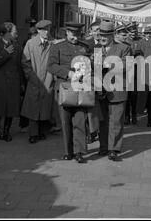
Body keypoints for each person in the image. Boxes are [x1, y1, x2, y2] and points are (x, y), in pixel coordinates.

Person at [48, 22, 91, 163]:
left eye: (78, 34)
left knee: (79, 120)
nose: (75, 37)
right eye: (72, 34)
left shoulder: (85, 47)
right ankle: (68, 151)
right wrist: (67, 74)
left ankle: (79, 152)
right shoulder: (57, 47)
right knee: (65, 122)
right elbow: (51, 66)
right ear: (67, 32)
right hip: (65, 89)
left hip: (80, 89)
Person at [97, 21, 132, 161]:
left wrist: (108, 63)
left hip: (117, 90)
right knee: (103, 121)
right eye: (101, 35)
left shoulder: (124, 48)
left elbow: (127, 65)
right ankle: (104, 146)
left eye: (106, 35)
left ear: (112, 35)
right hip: (101, 92)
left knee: (116, 121)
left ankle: (114, 149)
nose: (103, 38)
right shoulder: (97, 49)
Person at [21, 20, 55, 144]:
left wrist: (51, 78)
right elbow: (25, 62)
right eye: (44, 30)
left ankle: (41, 131)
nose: (47, 32)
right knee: (33, 107)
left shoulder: (52, 43)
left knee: (44, 106)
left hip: (47, 78)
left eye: (48, 29)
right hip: (34, 79)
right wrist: (30, 76)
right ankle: (33, 133)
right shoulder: (31, 43)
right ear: (39, 31)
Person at [0, 24, 22, 142]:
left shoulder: (16, 46)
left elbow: (19, 66)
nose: (16, 34)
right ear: (6, 33)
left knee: (11, 108)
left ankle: (6, 131)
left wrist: (21, 82)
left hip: (13, 82)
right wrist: (5, 53)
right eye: (14, 32)